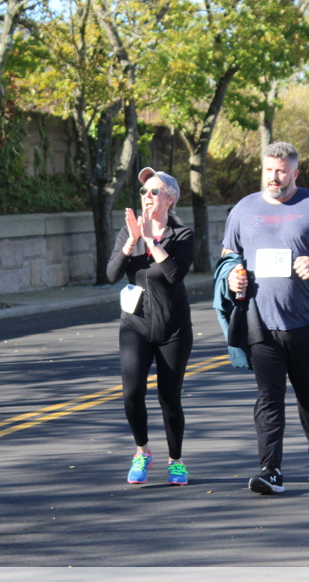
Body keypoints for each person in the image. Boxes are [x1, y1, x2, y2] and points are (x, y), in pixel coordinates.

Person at [222, 141, 309, 494]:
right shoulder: (244, 208)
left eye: (281, 171)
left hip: (305, 321)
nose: (274, 177)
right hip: (260, 321)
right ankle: (271, 470)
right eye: (269, 170)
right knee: (268, 397)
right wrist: (233, 274)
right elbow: (228, 253)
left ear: (294, 173)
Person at [106, 167, 194, 485]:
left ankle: (176, 461)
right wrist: (132, 240)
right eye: (143, 191)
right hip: (136, 324)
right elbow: (111, 275)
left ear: (170, 199)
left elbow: (174, 274)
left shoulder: (182, 235)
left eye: (154, 191)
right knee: (132, 394)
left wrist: (150, 240)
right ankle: (142, 452)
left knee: (169, 398)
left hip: (173, 329)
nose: (147, 196)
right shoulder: (128, 232)